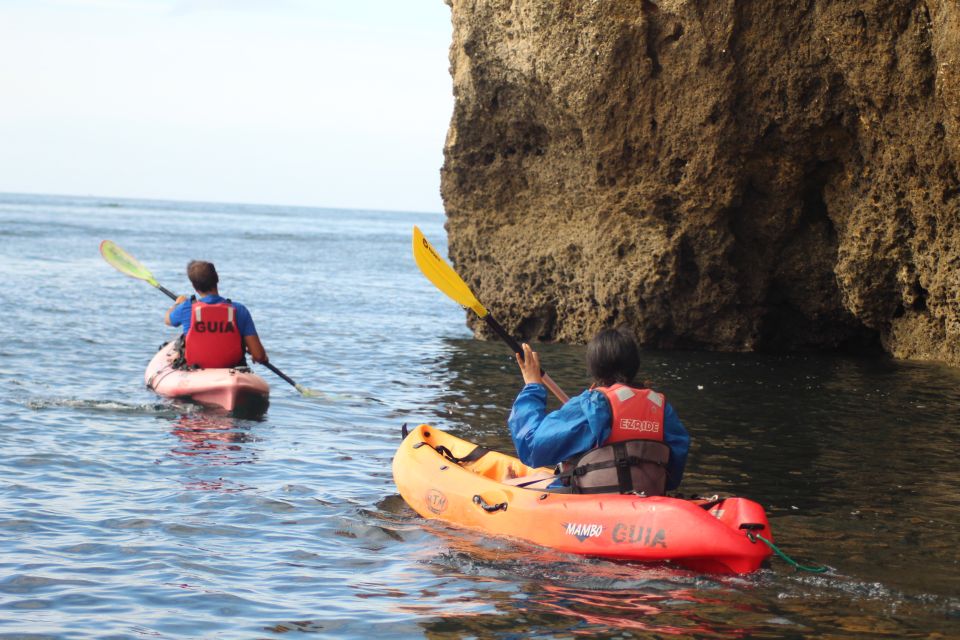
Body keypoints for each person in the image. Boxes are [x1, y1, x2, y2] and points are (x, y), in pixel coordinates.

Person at [507, 328, 689, 494]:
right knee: (541, 476)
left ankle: (508, 485)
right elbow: (672, 477)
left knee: (513, 485)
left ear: (595, 368)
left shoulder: (592, 404)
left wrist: (532, 387)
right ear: (635, 365)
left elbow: (531, 447)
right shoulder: (660, 407)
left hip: (592, 501)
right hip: (646, 498)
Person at [164, 260, 268, 369]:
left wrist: (177, 304)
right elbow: (258, 355)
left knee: (181, 341)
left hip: (195, 367)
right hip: (232, 368)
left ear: (194, 286)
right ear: (217, 279)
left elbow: (167, 320)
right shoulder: (239, 310)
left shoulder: (186, 307)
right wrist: (261, 357)